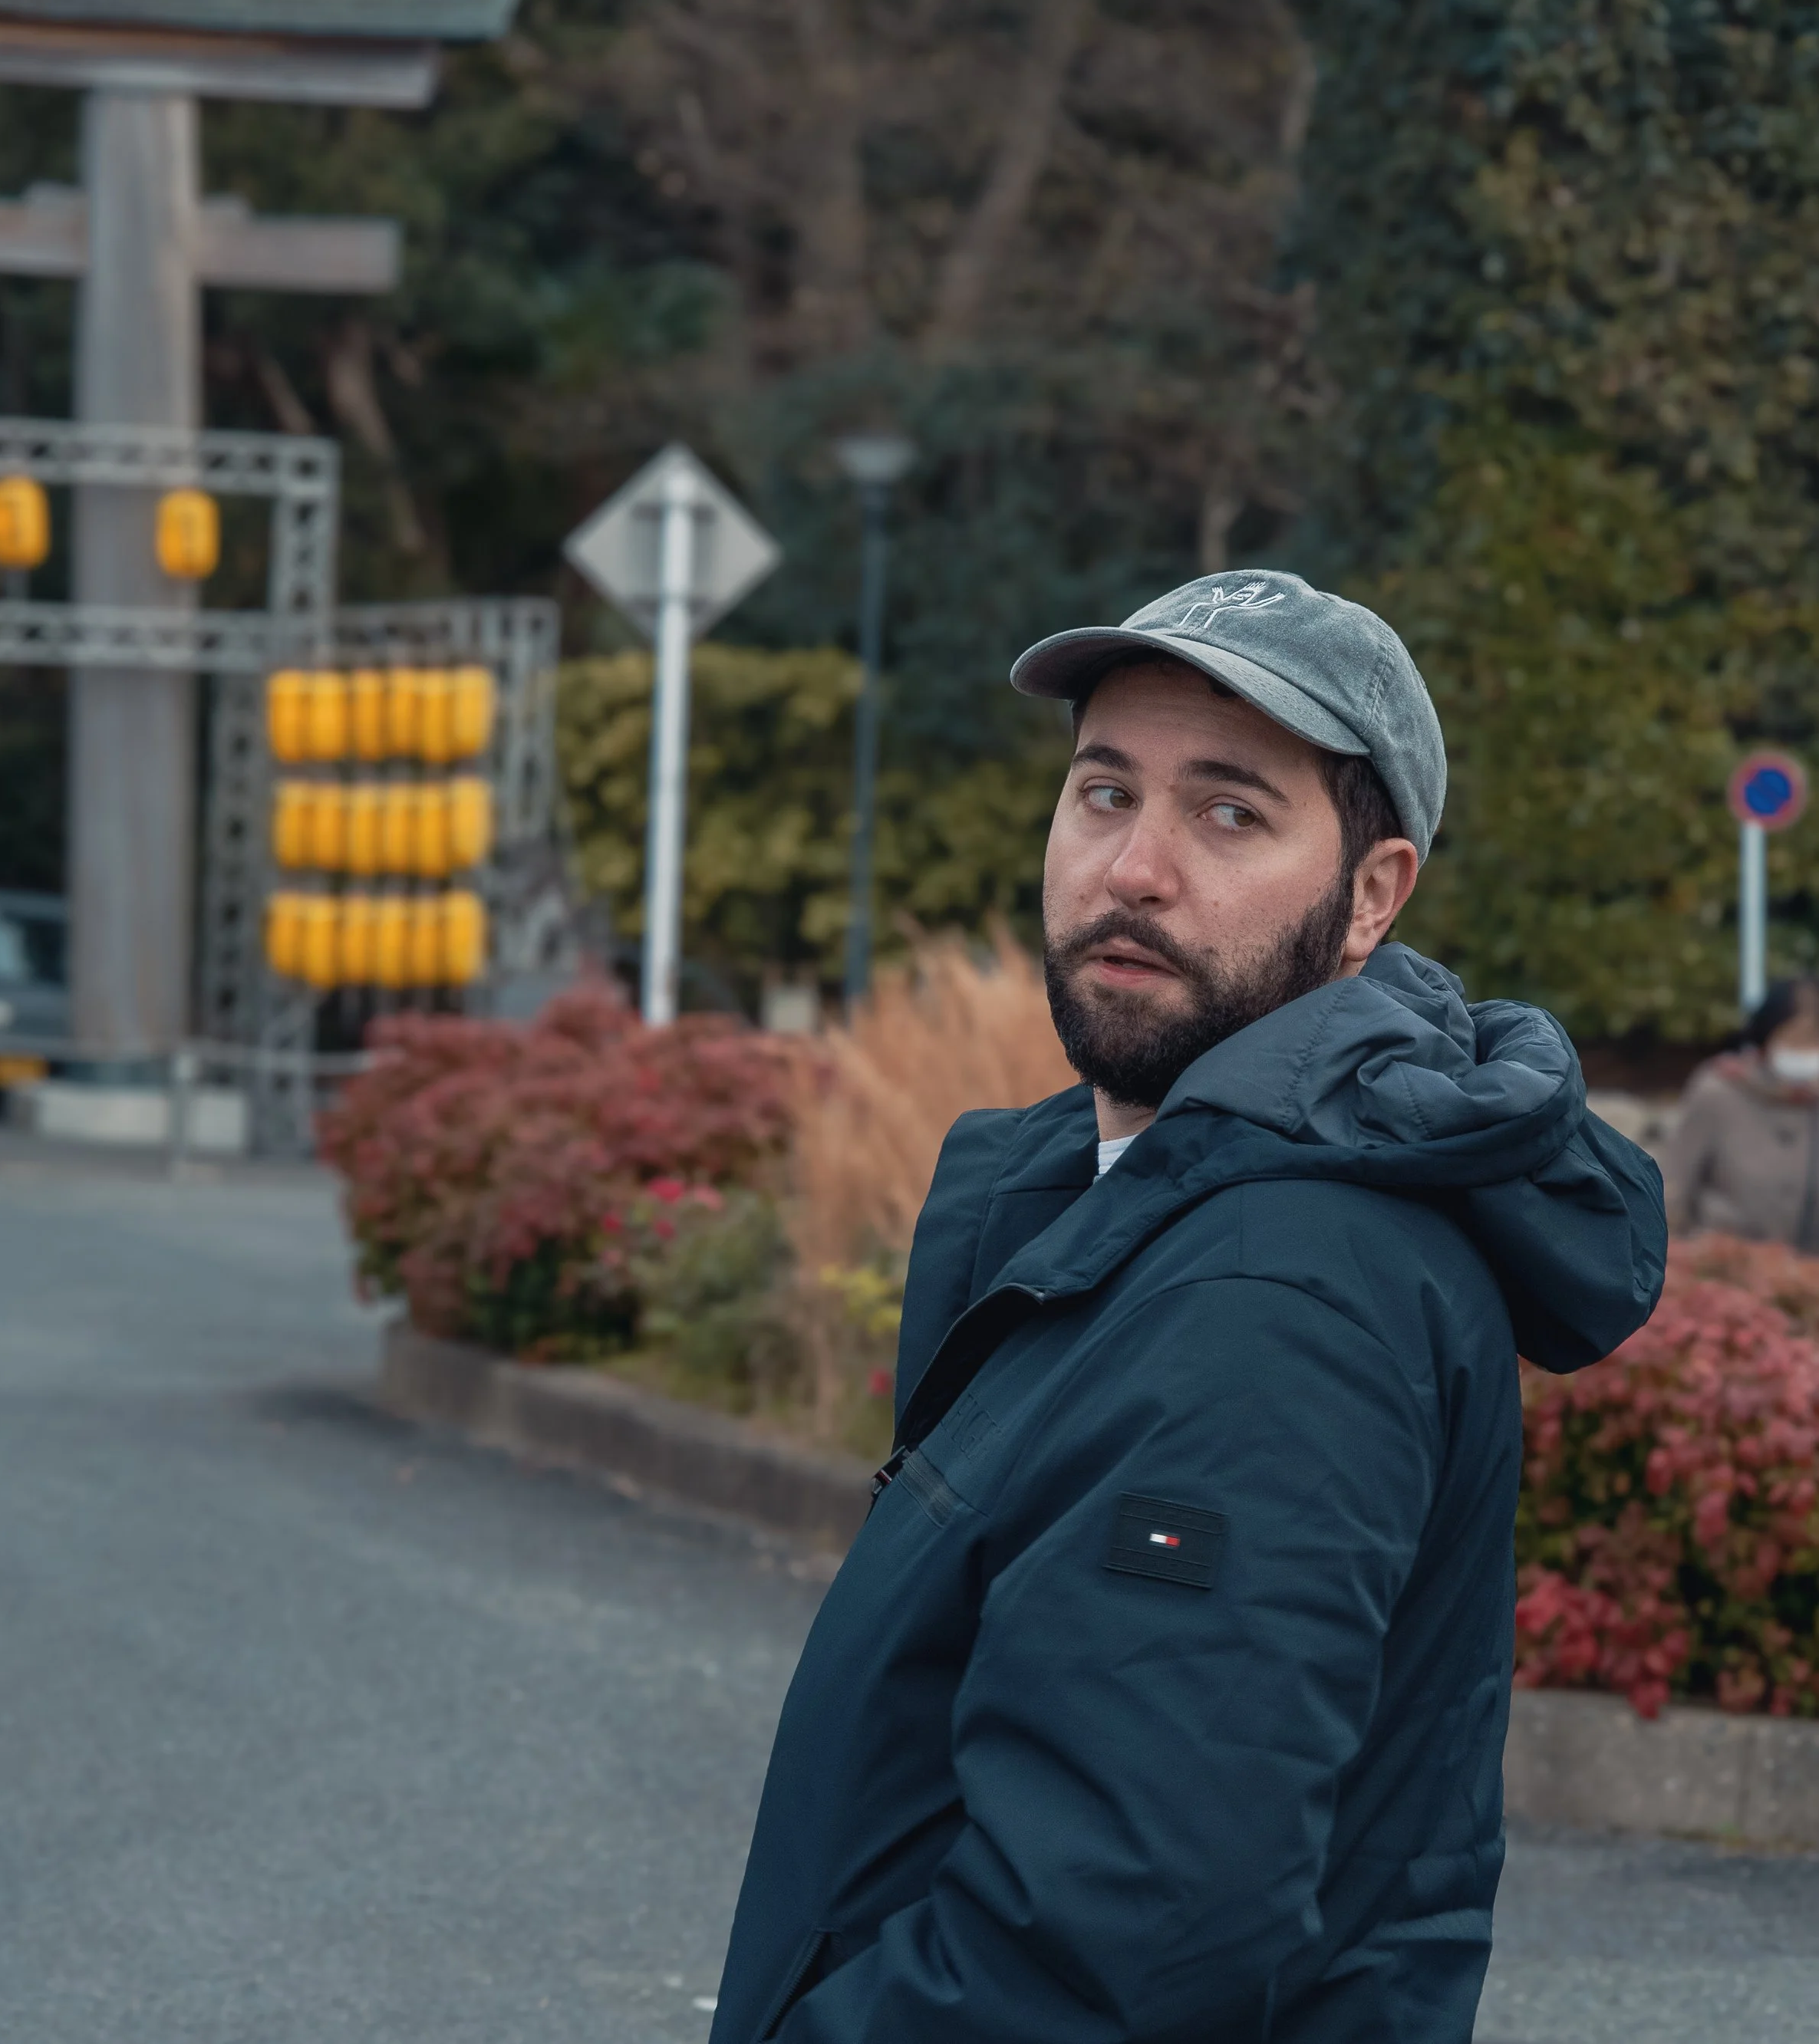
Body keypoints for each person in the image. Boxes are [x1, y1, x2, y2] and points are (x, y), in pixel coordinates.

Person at [709, 570, 1666, 2044]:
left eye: (1230, 813)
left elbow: (1112, 1956)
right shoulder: (1128, 1196)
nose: (1136, 869)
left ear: (1372, 898)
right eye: (1105, 793)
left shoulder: (1280, 1292)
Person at [1661, 976, 1819, 1250]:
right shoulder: (1721, 1091)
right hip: (1725, 1272)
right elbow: (1671, 1188)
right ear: (1769, 1032)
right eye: (1798, 1037)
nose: (1807, 1050)